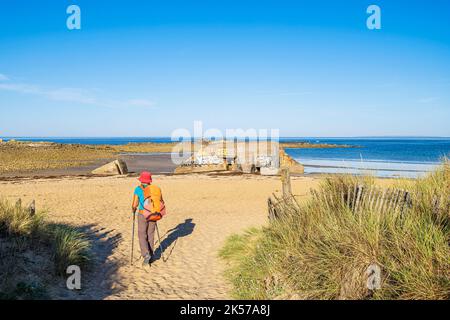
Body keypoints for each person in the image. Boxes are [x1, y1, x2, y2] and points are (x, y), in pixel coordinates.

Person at [132, 171, 158, 265]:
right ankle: (151, 254)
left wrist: (133, 209)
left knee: (142, 235)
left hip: (143, 214)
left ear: (141, 180)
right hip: (153, 214)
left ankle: (146, 254)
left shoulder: (138, 189)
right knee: (150, 234)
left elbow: (135, 204)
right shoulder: (154, 189)